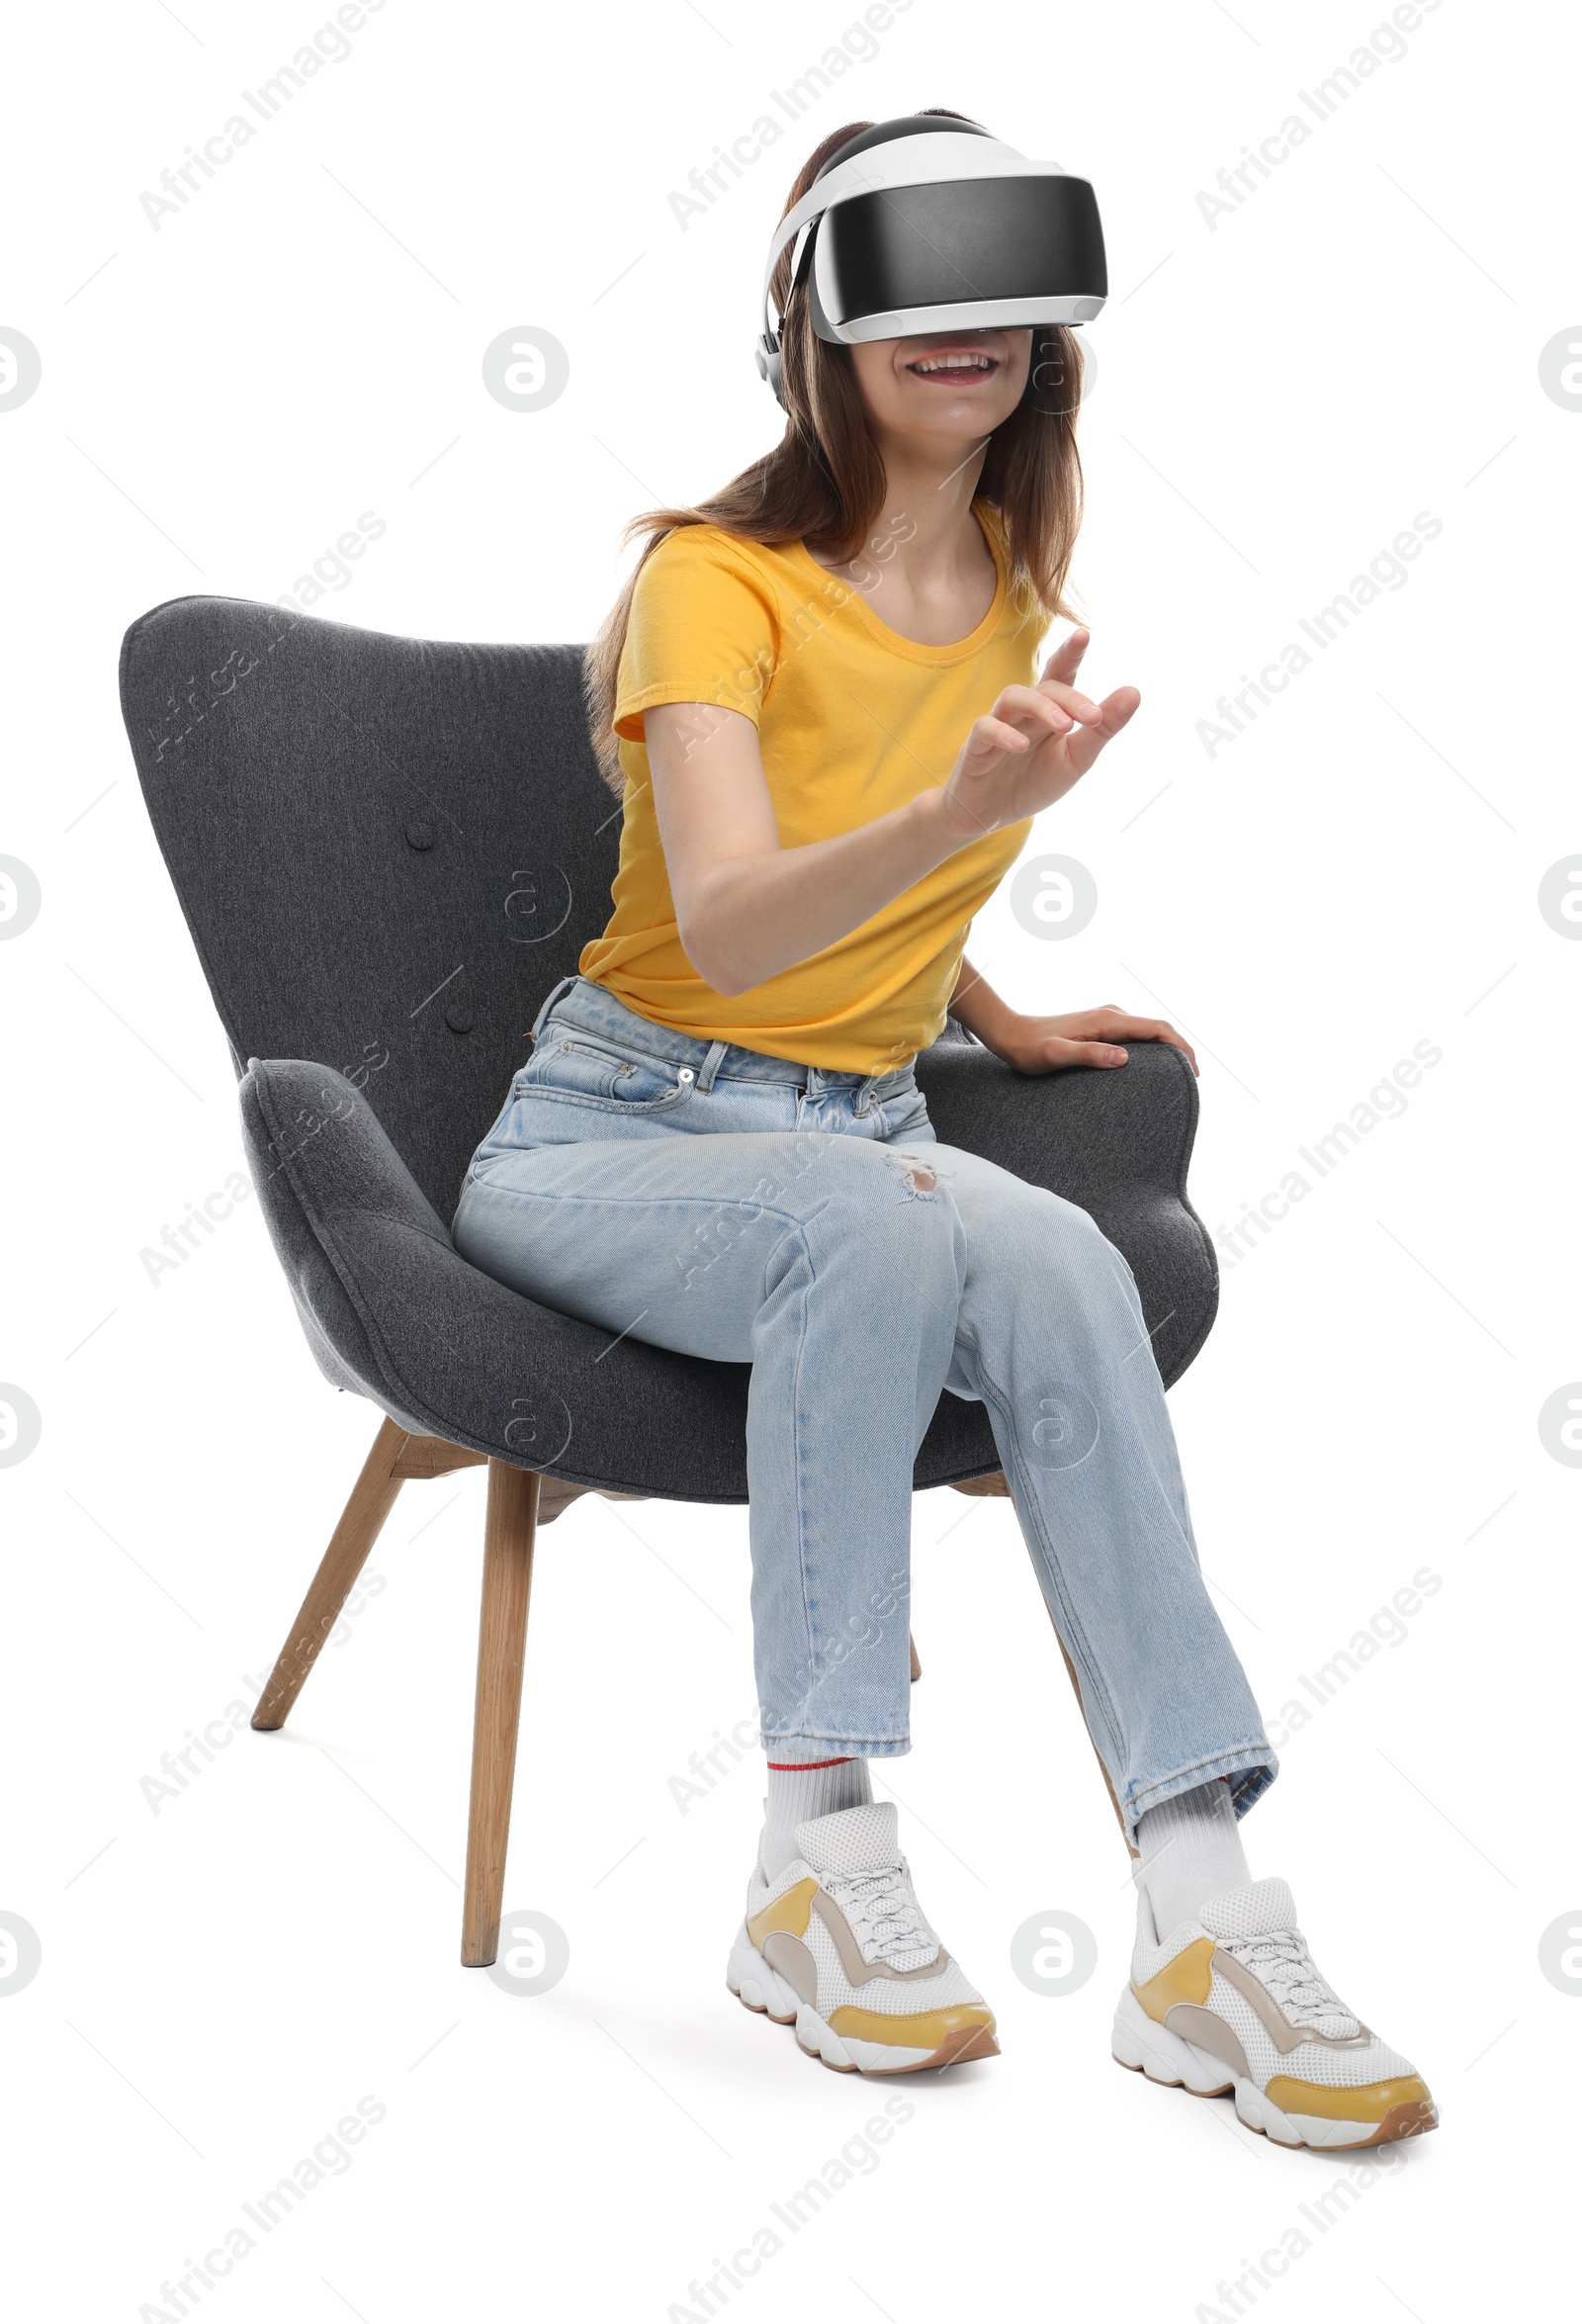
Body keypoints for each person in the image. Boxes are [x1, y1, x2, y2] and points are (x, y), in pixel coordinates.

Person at [452, 112, 1436, 2148]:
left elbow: (889, 882)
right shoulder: (703, 582)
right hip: (615, 1124)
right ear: (818, 316)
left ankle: (1196, 1905)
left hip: (862, 1123)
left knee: (1060, 1252)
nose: (965, 322)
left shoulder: (1001, 577)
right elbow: (726, 909)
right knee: (882, 1229)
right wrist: (969, 815)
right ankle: (811, 1859)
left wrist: (988, 999)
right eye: (922, 275)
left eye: (1010, 284)